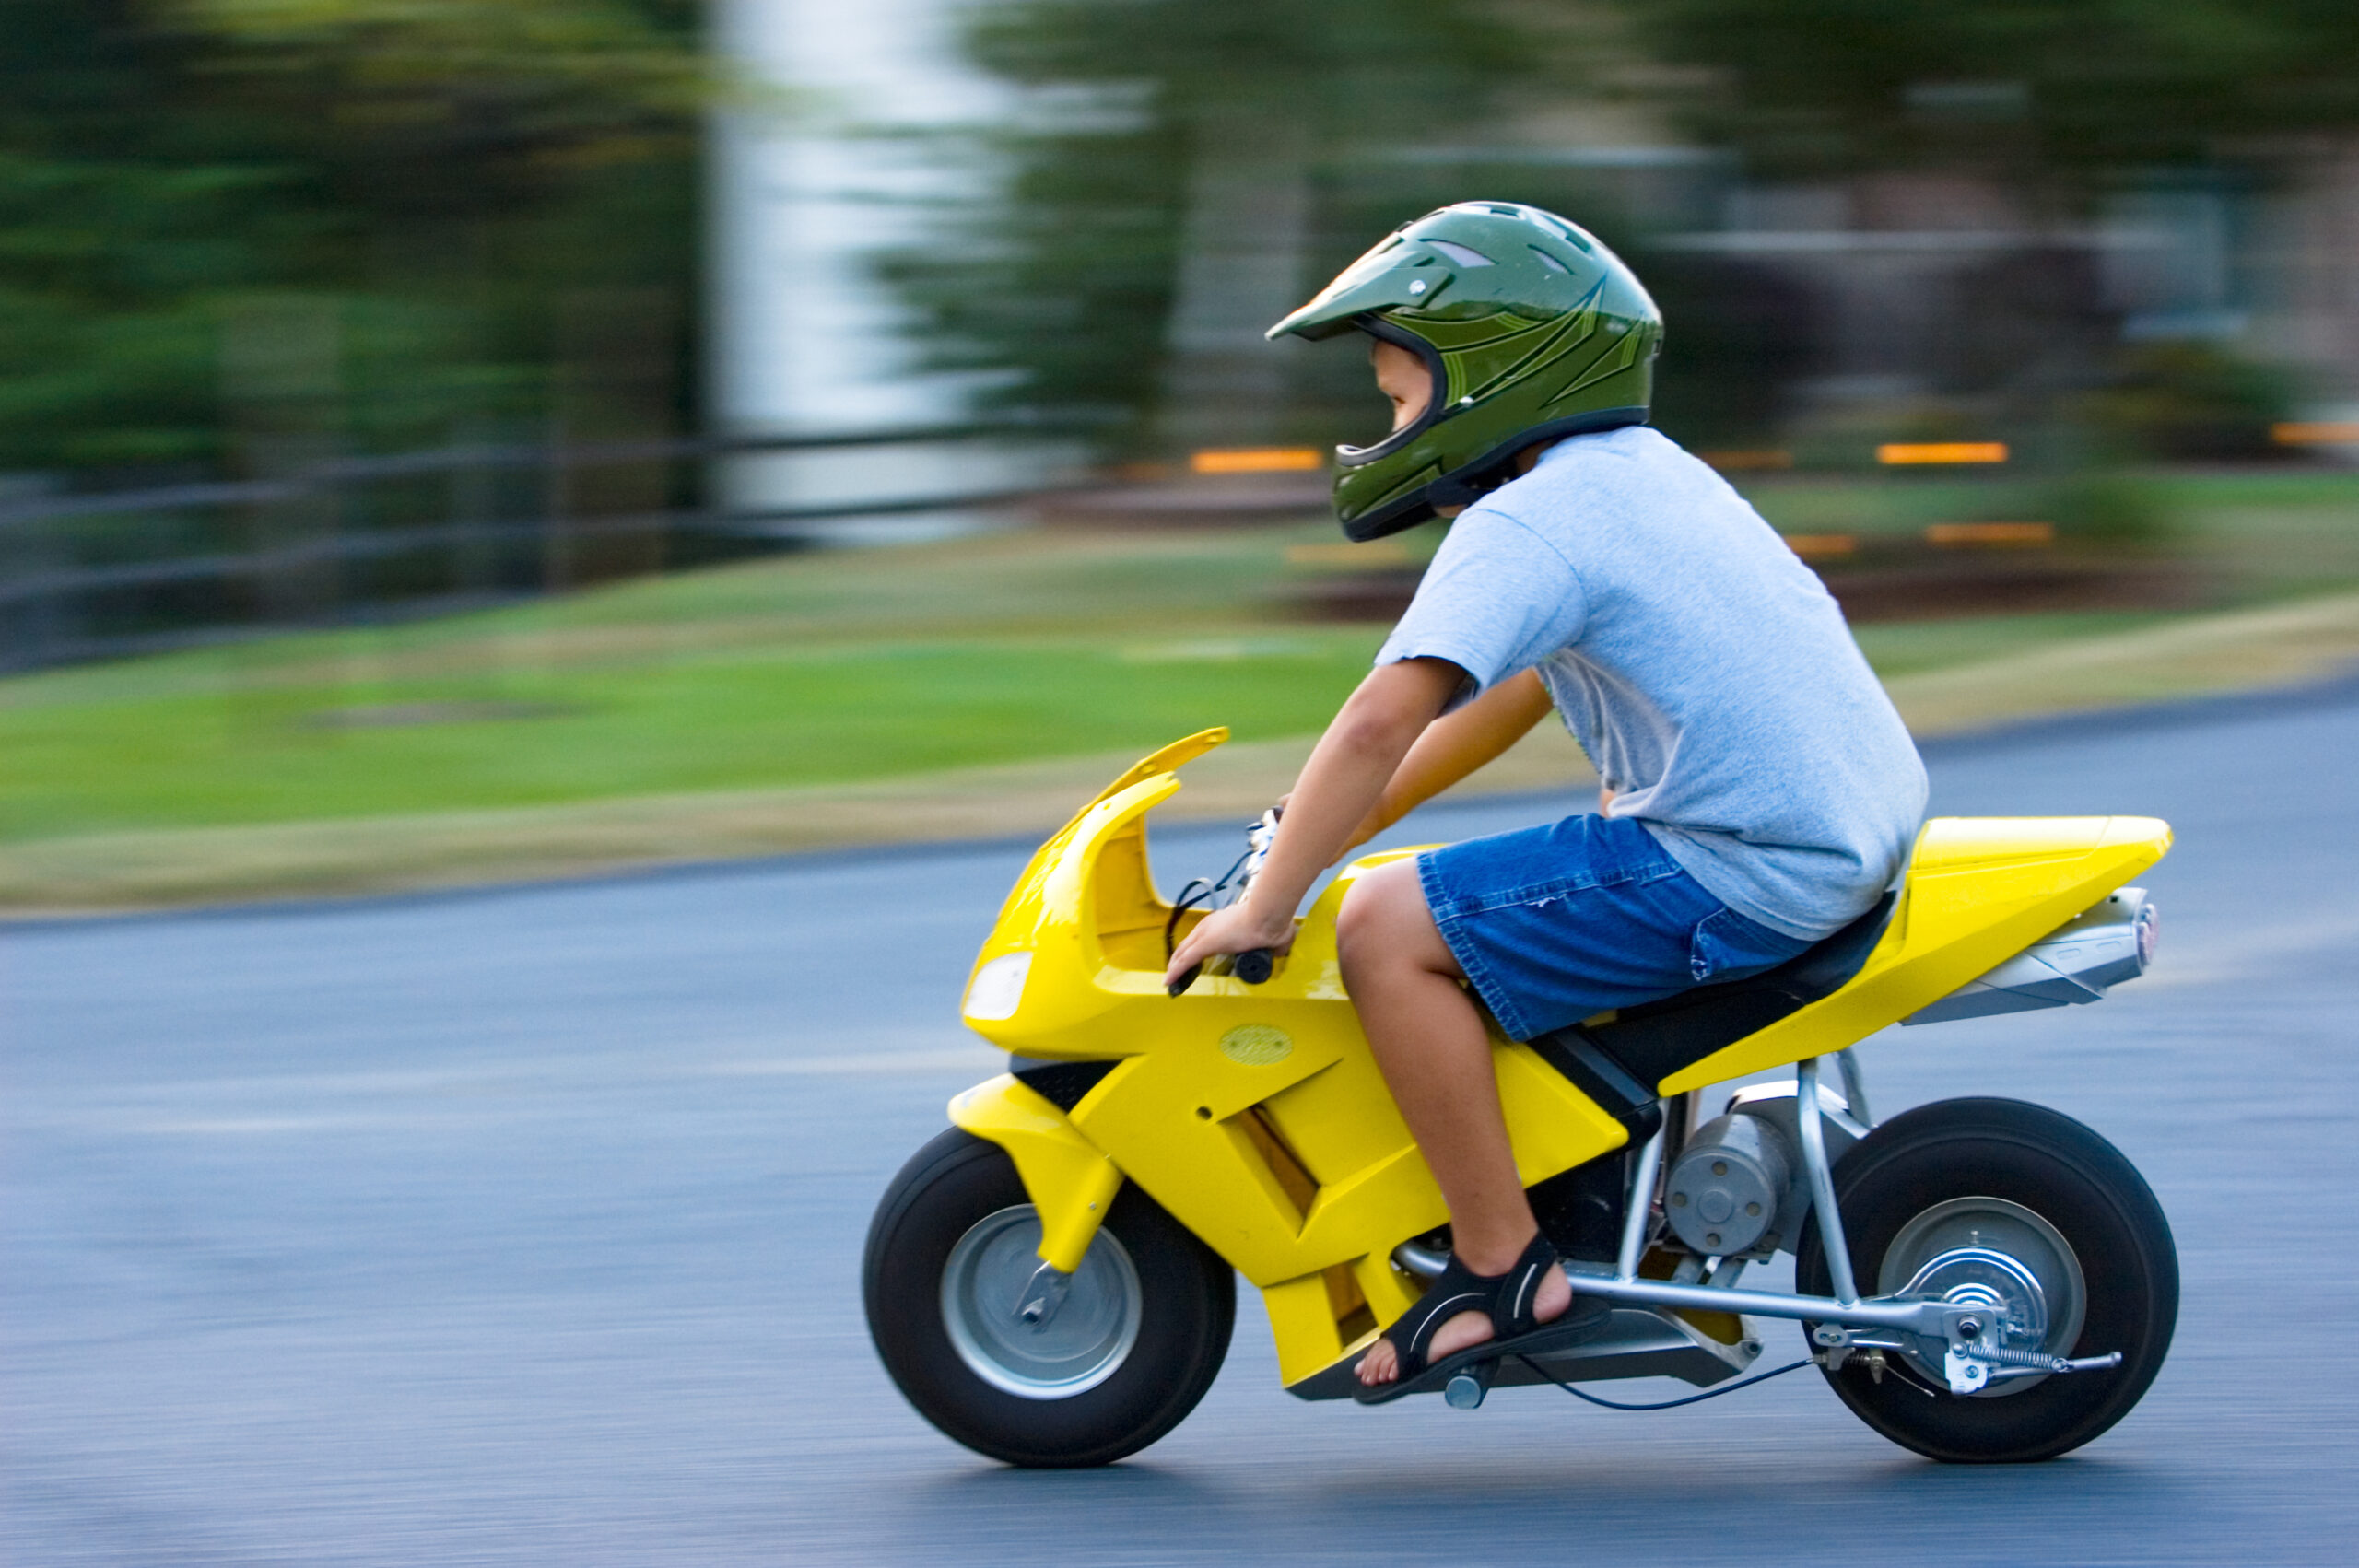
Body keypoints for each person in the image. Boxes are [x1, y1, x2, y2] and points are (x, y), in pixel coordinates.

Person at [1163, 202, 1928, 1391]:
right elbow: (1509, 698)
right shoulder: (1637, 476)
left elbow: (1380, 718)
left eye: (1400, 391)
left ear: (1489, 371)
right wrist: (1321, 833)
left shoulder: (1530, 520)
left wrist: (1271, 905)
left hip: (1745, 862)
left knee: (1380, 929)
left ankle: (1503, 1264)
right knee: (1425, 890)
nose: (1392, 423)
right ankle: (1628, 1204)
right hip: (1838, 833)